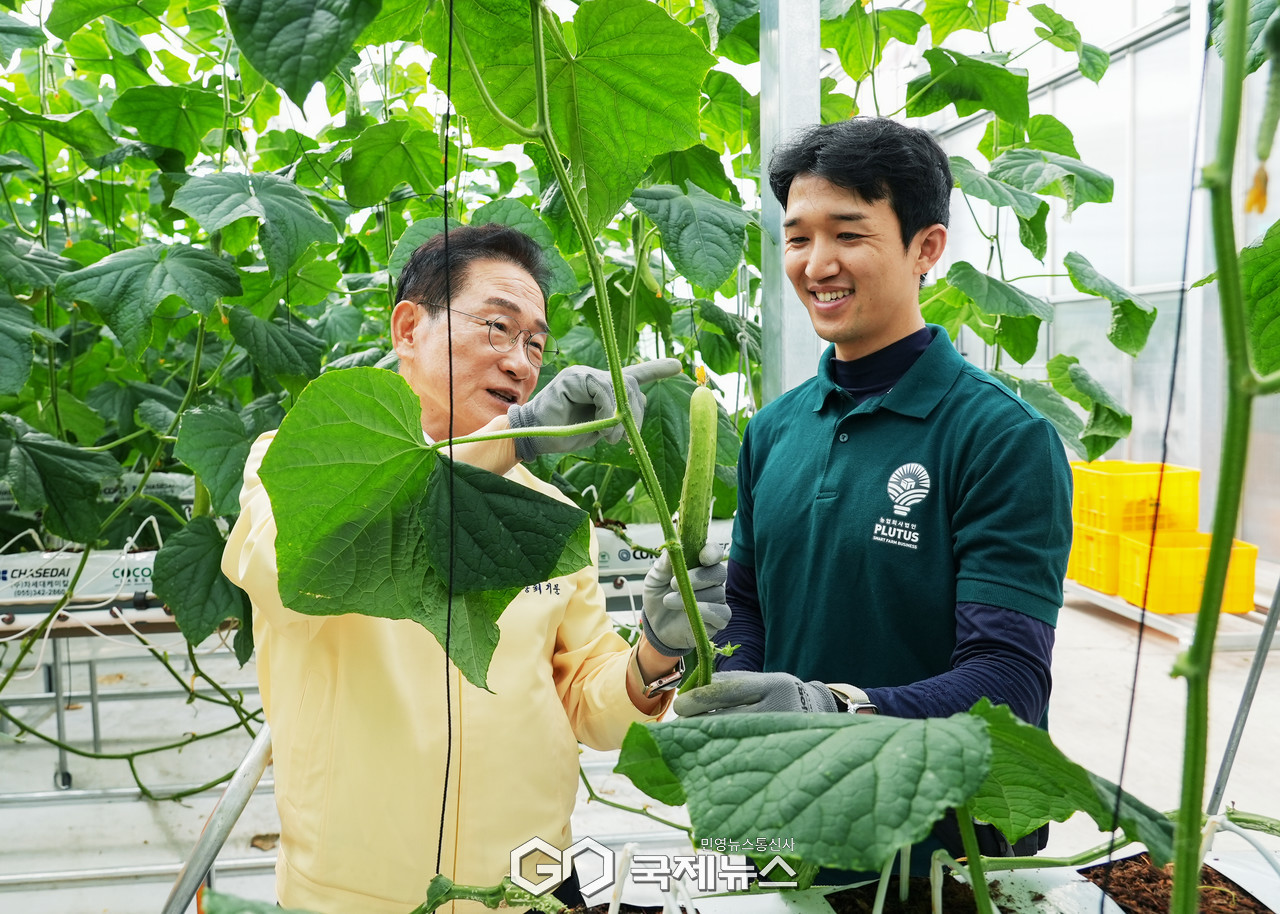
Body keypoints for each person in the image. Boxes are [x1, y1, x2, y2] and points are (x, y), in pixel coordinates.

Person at [223, 223, 730, 914]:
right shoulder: (295, 458)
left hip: (531, 888)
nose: (521, 362)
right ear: (409, 328)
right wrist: (507, 442)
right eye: (498, 327)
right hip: (353, 899)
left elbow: (589, 702)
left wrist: (657, 654)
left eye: (536, 344)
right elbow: (299, 564)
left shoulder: (547, 513)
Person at [673, 117, 1073, 862]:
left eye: (849, 234)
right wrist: (732, 688)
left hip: (940, 856)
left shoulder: (1002, 437)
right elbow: (749, 609)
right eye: (797, 238)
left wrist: (839, 708)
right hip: (788, 821)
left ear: (926, 247)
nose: (816, 263)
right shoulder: (773, 431)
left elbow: (1009, 679)